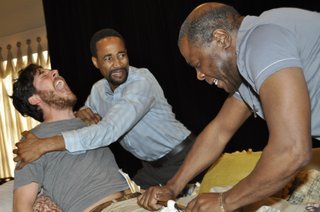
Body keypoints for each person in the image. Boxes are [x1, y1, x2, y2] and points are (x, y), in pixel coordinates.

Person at [137, 2, 320, 211]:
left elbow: (292, 150)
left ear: (221, 38)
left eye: (198, 64)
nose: (199, 76)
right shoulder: (247, 73)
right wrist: (172, 186)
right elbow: (220, 131)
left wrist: (225, 201)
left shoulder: (262, 40)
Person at [13, 28, 198, 189]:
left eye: (122, 55)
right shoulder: (98, 90)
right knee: (130, 203)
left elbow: (109, 131)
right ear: (96, 62)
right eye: (108, 58)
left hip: (184, 156)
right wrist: (81, 113)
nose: (118, 64)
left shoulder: (142, 80)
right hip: (152, 168)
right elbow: (79, 117)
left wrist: (43, 145)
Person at [11, 64, 130, 211]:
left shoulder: (90, 119)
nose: (55, 71)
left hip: (135, 200)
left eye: (52, 71)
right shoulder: (32, 141)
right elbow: (21, 207)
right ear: (34, 98)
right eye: (43, 75)